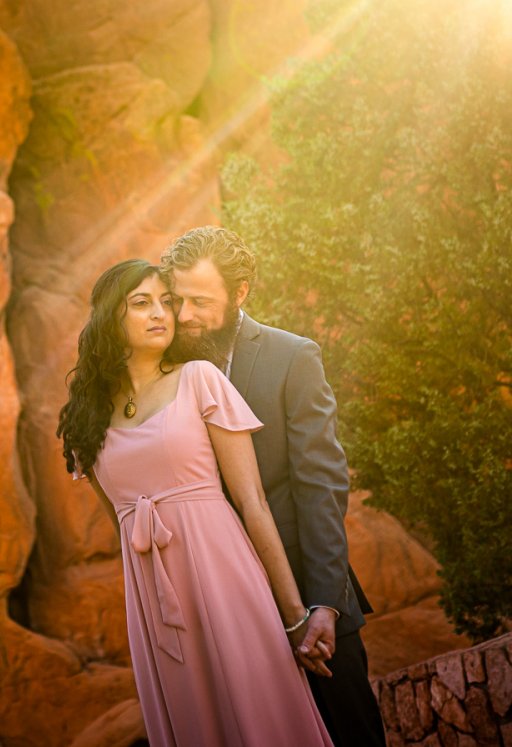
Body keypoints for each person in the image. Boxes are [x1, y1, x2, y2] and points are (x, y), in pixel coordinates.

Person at [57, 258, 335, 747]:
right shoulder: (86, 421)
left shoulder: (200, 378)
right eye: (141, 303)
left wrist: (293, 617)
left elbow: (253, 505)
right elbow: (124, 530)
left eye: (166, 302)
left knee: (263, 716)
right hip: (156, 607)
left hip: (226, 577)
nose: (161, 313)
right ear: (109, 319)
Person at [161, 227, 387, 747]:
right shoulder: (162, 365)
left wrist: (325, 604)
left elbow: (321, 486)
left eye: (201, 300)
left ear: (240, 294)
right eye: (178, 300)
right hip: (219, 602)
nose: (185, 314)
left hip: (309, 594)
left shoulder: (293, 358)